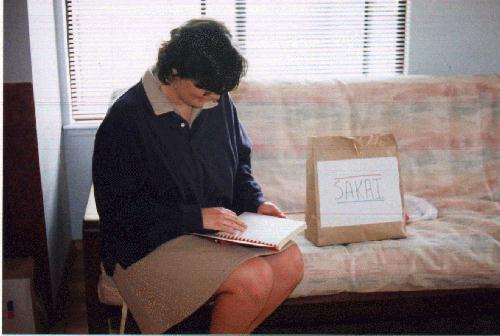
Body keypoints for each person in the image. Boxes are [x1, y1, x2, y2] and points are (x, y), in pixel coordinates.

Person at [92, 18, 304, 334]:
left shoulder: (216, 99)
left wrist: (257, 203)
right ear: (174, 71)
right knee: (253, 278)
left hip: (208, 234)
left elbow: (239, 166)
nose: (213, 100)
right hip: (146, 246)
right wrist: (195, 217)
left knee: (291, 263)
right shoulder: (126, 120)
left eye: (218, 93)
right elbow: (120, 214)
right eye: (204, 90)